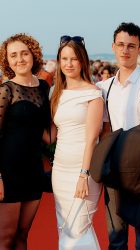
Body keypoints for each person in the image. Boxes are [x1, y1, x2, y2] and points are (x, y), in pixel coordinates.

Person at [98, 22, 140, 250]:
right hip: (113, 171)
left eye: (131, 46)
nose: (125, 50)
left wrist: (123, 149)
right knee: (115, 238)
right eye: (120, 45)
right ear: (113, 47)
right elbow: (105, 131)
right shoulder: (103, 88)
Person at [49, 35, 103, 249]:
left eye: (74, 59)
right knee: (65, 229)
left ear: (83, 61)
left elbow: (92, 139)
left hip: (83, 172)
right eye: (64, 59)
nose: (68, 64)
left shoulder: (93, 93)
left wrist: (84, 175)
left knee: (77, 229)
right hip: (59, 171)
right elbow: (52, 135)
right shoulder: (56, 93)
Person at [0, 33, 50, 249]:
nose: (19, 59)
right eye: (13, 55)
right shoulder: (6, 90)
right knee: (5, 238)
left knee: (23, 235)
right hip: (8, 172)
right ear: (7, 61)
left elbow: (47, 134)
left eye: (24, 53)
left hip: (33, 170)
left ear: (33, 55)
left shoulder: (44, 88)